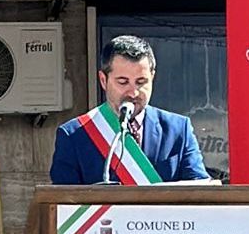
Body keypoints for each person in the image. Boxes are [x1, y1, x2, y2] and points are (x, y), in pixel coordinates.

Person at [49, 34, 209, 185]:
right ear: (104, 80)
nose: (133, 92)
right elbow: (63, 204)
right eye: (123, 82)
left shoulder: (178, 130)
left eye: (141, 82)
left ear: (152, 77)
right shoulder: (74, 135)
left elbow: (200, 193)